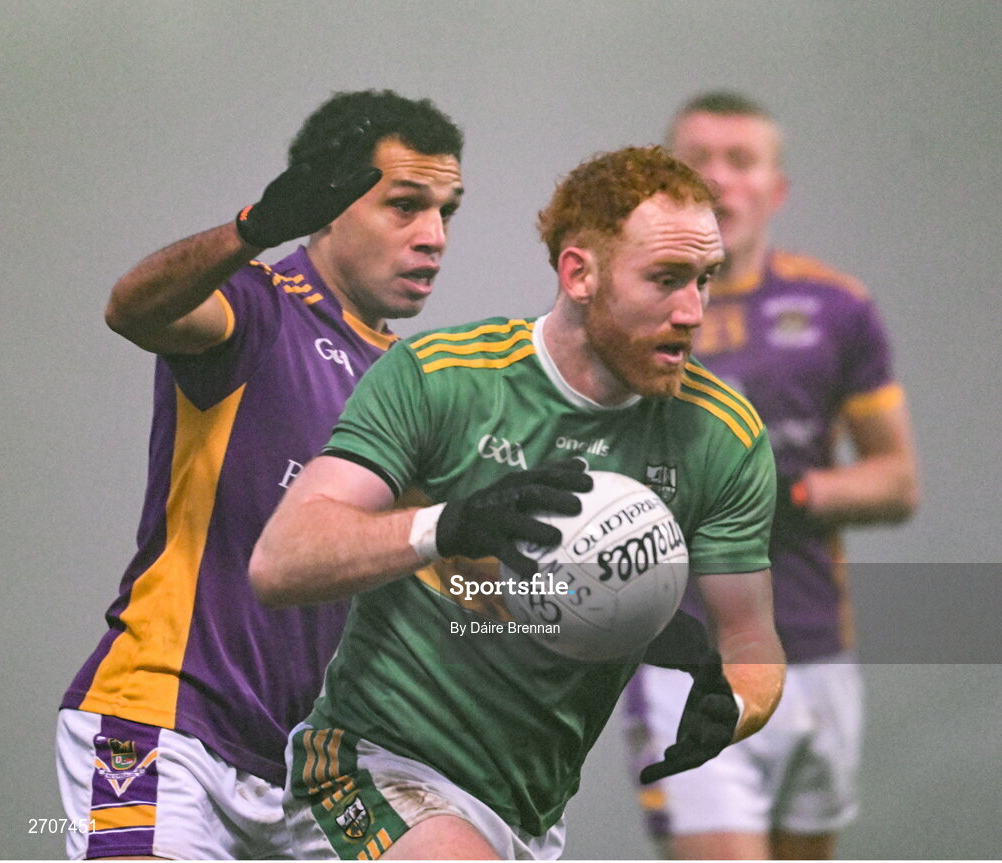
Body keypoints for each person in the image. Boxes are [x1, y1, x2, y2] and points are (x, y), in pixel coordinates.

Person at [249, 146, 787, 860]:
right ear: (579, 273)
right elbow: (281, 562)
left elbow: (751, 640)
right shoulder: (443, 379)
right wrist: (450, 524)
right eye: (665, 279)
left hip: (528, 814)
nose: (692, 312)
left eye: (705, 279)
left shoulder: (723, 437)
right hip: (368, 767)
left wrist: (735, 706)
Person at [56, 89, 465, 860]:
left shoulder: (416, 387)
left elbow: (456, 578)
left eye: (447, 211)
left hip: (318, 775)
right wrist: (251, 231)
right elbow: (133, 310)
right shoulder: (256, 307)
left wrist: (601, 608)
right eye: (406, 205)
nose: (435, 236)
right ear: (331, 202)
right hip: (157, 731)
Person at [622, 91, 920, 860]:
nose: (719, 179)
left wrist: (785, 493)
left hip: (817, 651)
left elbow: (896, 480)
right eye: (697, 161)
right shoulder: (623, 312)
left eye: (741, 161)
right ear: (661, 183)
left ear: (774, 189)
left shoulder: (836, 308)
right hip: (687, 656)